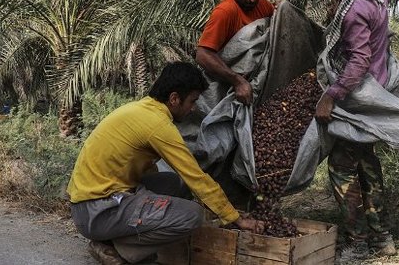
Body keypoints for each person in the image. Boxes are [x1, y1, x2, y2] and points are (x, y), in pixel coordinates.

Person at [67, 62, 264, 265]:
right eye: (192, 101)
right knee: (191, 216)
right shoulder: (158, 125)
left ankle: (122, 234)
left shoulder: (143, 109)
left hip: (92, 202)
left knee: (175, 183)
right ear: (174, 99)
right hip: (96, 211)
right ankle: (115, 247)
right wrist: (235, 218)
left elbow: (154, 170)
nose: (193, 108)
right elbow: (196, 178)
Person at [315, 0, 398, 259]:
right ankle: (383, 237)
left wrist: (330, 96)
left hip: (357, 92)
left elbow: (358, 61)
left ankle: (358, 243)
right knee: (367, 162)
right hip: (378, 86)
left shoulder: (353, 11)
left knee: (342, 167)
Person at [196, 0, 275, 105]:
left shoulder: (264, 6)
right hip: (225, 90)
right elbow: (203, 55)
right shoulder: (225, 12)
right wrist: (237, 81)